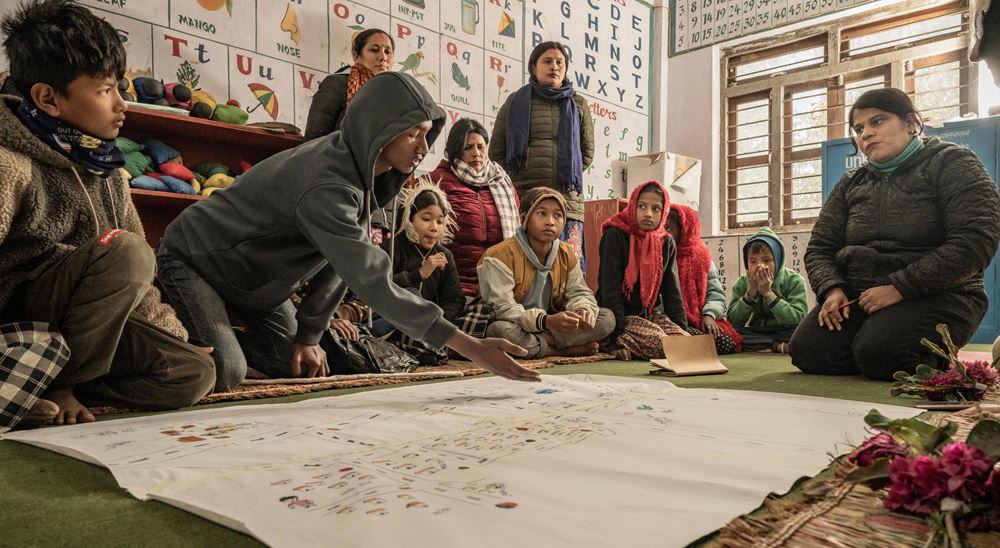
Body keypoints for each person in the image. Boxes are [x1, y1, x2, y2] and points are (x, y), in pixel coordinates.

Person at [157, 72, 539, 391]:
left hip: (259, 281)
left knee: (293, 361)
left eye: (427, 133)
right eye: (411, 134)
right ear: (377, 131)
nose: (424, 147)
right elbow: (371, 279)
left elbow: (338, 265)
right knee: (227, 371)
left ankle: (219, 338)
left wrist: (308, 335)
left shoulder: (364, 170)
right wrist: (468, 345)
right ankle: (161, 338)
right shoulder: (327, 185)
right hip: (196, 259)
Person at [0, 0, 215, 425]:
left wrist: (171, 336)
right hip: (18, 326)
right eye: (104, 90)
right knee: (128, 251)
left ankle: (36, 391)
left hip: (81, 334)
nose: (122, 104)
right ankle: (54, 386)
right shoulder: (10, 162)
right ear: (47, 98)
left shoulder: (108, 172)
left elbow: (138, 284)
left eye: (119, 87)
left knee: (197, 372)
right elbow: (127, 259)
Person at [789, 88, 1000, 381]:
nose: (866, 134)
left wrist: (901, 287)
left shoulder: (954, 163)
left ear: (911, 123)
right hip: (863, 297)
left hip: (941, 294)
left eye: (878, 121)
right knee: (808, 351)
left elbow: (975, 240)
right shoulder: (851, 183)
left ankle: (888, 352)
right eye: (859, 128)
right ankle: (871, 349)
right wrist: (832, 289)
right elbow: (820, 248)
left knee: (880, 354)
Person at [489, 41, 594, 265]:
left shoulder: (578, 104)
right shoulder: (515, 101)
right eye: (547, 61)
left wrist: (563, 170)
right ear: (534, 66)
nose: (554, 67)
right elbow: (496, 152)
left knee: (569, 271)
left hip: (567, 203)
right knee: (524, 270)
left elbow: (586, 153)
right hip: (525, 199)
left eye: (559, 62)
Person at [479, 188, 614, 359]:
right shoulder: (498, 256)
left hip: (551, 325)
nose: (550, 221)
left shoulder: (566, 253)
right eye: (542, 214)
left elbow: (579, 292)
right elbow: (502, 308)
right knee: (498, 331)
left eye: (557, 215)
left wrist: (583, 309)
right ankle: (559, 350)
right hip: (517, 323)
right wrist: (546, 321)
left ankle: (542, 344)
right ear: (524, 218)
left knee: (607, 318)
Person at [596, 181, 689, 361]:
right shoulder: (615, 234)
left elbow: (672, 292)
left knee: (684, 343)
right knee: (661, 344)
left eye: (656, 209)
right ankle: (610, 342)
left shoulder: (665, 241)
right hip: (618, 318)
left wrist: (681, 330)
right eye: (642, 206)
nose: (648, 214)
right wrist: (616, 340)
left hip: (647, 316)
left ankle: (636, 342)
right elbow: (610, 290)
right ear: (633, 206)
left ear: (664, 213)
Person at [375, 182, 465, 364]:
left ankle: (434, 345)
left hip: (431, 326)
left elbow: (454, 299)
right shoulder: (392, 248)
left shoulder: (444, 255)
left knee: (482, 314)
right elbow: (378, 291)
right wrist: (419, 274)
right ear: (409, 218)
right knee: (413, 296)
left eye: (440, 221)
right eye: (426, 219)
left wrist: (439, 326)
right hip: (397, 324)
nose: (434, 227)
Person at [431, 118, 519, 297]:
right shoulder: (437, 181)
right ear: (456, 151)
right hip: (453, 283)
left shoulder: (503, 183)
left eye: (480, 146)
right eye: (468, 147)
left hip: (498, 283)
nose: (476, 153)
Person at [666, 205, 741, 355]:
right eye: (662, 228)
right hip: (671, 320)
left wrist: (709, 315)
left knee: (725, 342)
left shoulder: (703, 259)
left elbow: (716, 294)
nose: (664, 233)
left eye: (669, 229)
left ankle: (689, 346)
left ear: (685, 231)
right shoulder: (662, 256)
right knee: (685, 336)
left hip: (699, 319)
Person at [727, 228, 808, 353]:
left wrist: (768, 294)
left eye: (766, 260)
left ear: (777, 259)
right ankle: (774, 346)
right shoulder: (743, 282)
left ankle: (763, 345)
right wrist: (750, 294)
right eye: (753, 261)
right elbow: (733, 321)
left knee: (805, 334)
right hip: (757, 331)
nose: (760, 266)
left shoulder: (794, 280)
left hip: (785, 331)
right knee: (730, 333)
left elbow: (798, 319)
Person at [304, 28, 394, 140]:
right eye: (374, 50)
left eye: (387, 52)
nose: (383, 57)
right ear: (356, 55)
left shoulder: (394, 94)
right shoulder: (337, 84)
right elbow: (313, 139)